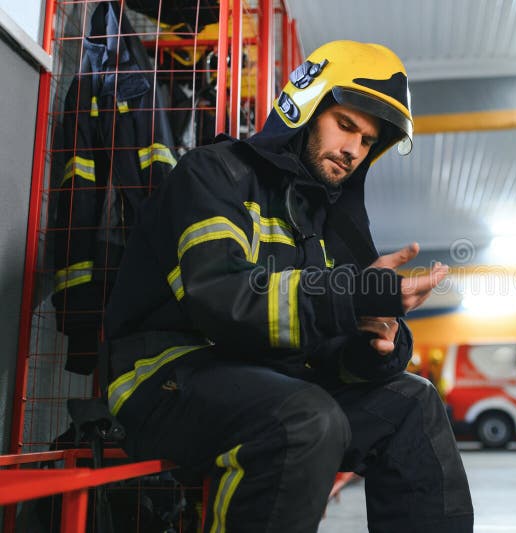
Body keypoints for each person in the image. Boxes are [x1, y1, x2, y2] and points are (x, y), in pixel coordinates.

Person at [102, 40, 474, 532]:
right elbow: (219, 298)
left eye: (368, 141)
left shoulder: (333, 221)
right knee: (305, 418)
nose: (353, 151)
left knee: (413, 402)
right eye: (345, 125)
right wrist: (351, 297)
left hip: (270, 379)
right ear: (305, 105)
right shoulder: (214, 174)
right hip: (164, 376)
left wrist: (376, 344)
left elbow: (332, 338)